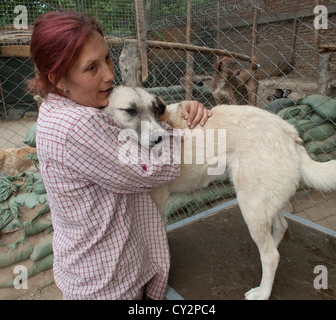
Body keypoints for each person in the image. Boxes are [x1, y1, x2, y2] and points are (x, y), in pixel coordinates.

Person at [28, 11, 212, 300]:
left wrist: (161, 110)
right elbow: (150, 169)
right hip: (107, 281)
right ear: (59, 79)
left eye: (107, 58)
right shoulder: (78, 125)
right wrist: (172, 121)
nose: (109, 74)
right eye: (91, 68)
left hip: (100, 265)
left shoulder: (60, 109)